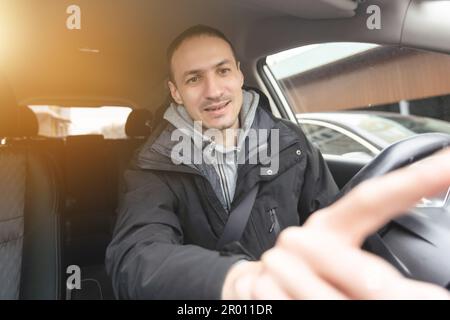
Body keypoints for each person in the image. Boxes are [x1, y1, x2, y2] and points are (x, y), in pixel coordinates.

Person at [105, 25, 450, 300]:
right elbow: (135, 259)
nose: (213, 91)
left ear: (239, 75)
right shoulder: (152, 165)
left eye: (222, 71)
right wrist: (238, 282)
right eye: (194, 78)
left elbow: (329, 220)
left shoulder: (291, 143)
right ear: (176, 91)